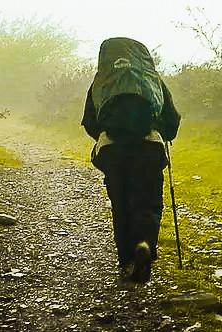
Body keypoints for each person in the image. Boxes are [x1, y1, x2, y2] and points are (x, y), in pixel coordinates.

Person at [81, 37, 181, 283]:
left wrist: (108, 134)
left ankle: (126, 260)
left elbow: (90, 122)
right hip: (150, 148)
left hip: (113, 151)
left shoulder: (101, 81)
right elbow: (172, 118)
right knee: (149, 202)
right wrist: (163, 132)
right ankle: (144, 244)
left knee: (121, 205)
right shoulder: (152, 79)